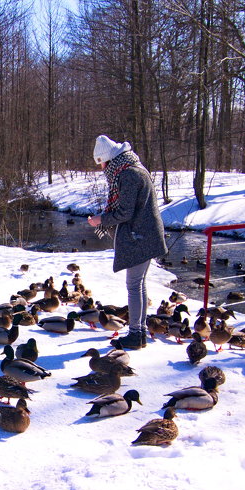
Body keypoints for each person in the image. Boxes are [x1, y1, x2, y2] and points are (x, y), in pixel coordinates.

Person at [86, 134, 167, 350]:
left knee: (133, 286)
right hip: (145, 234)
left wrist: (100, 219)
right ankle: (139, 333)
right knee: (139, 284)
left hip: (139, 237)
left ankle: (134, 334)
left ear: (109, 159)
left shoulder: (128, 175)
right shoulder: (133, 168)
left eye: (101, 163)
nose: (102, 168)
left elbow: (125, 212)